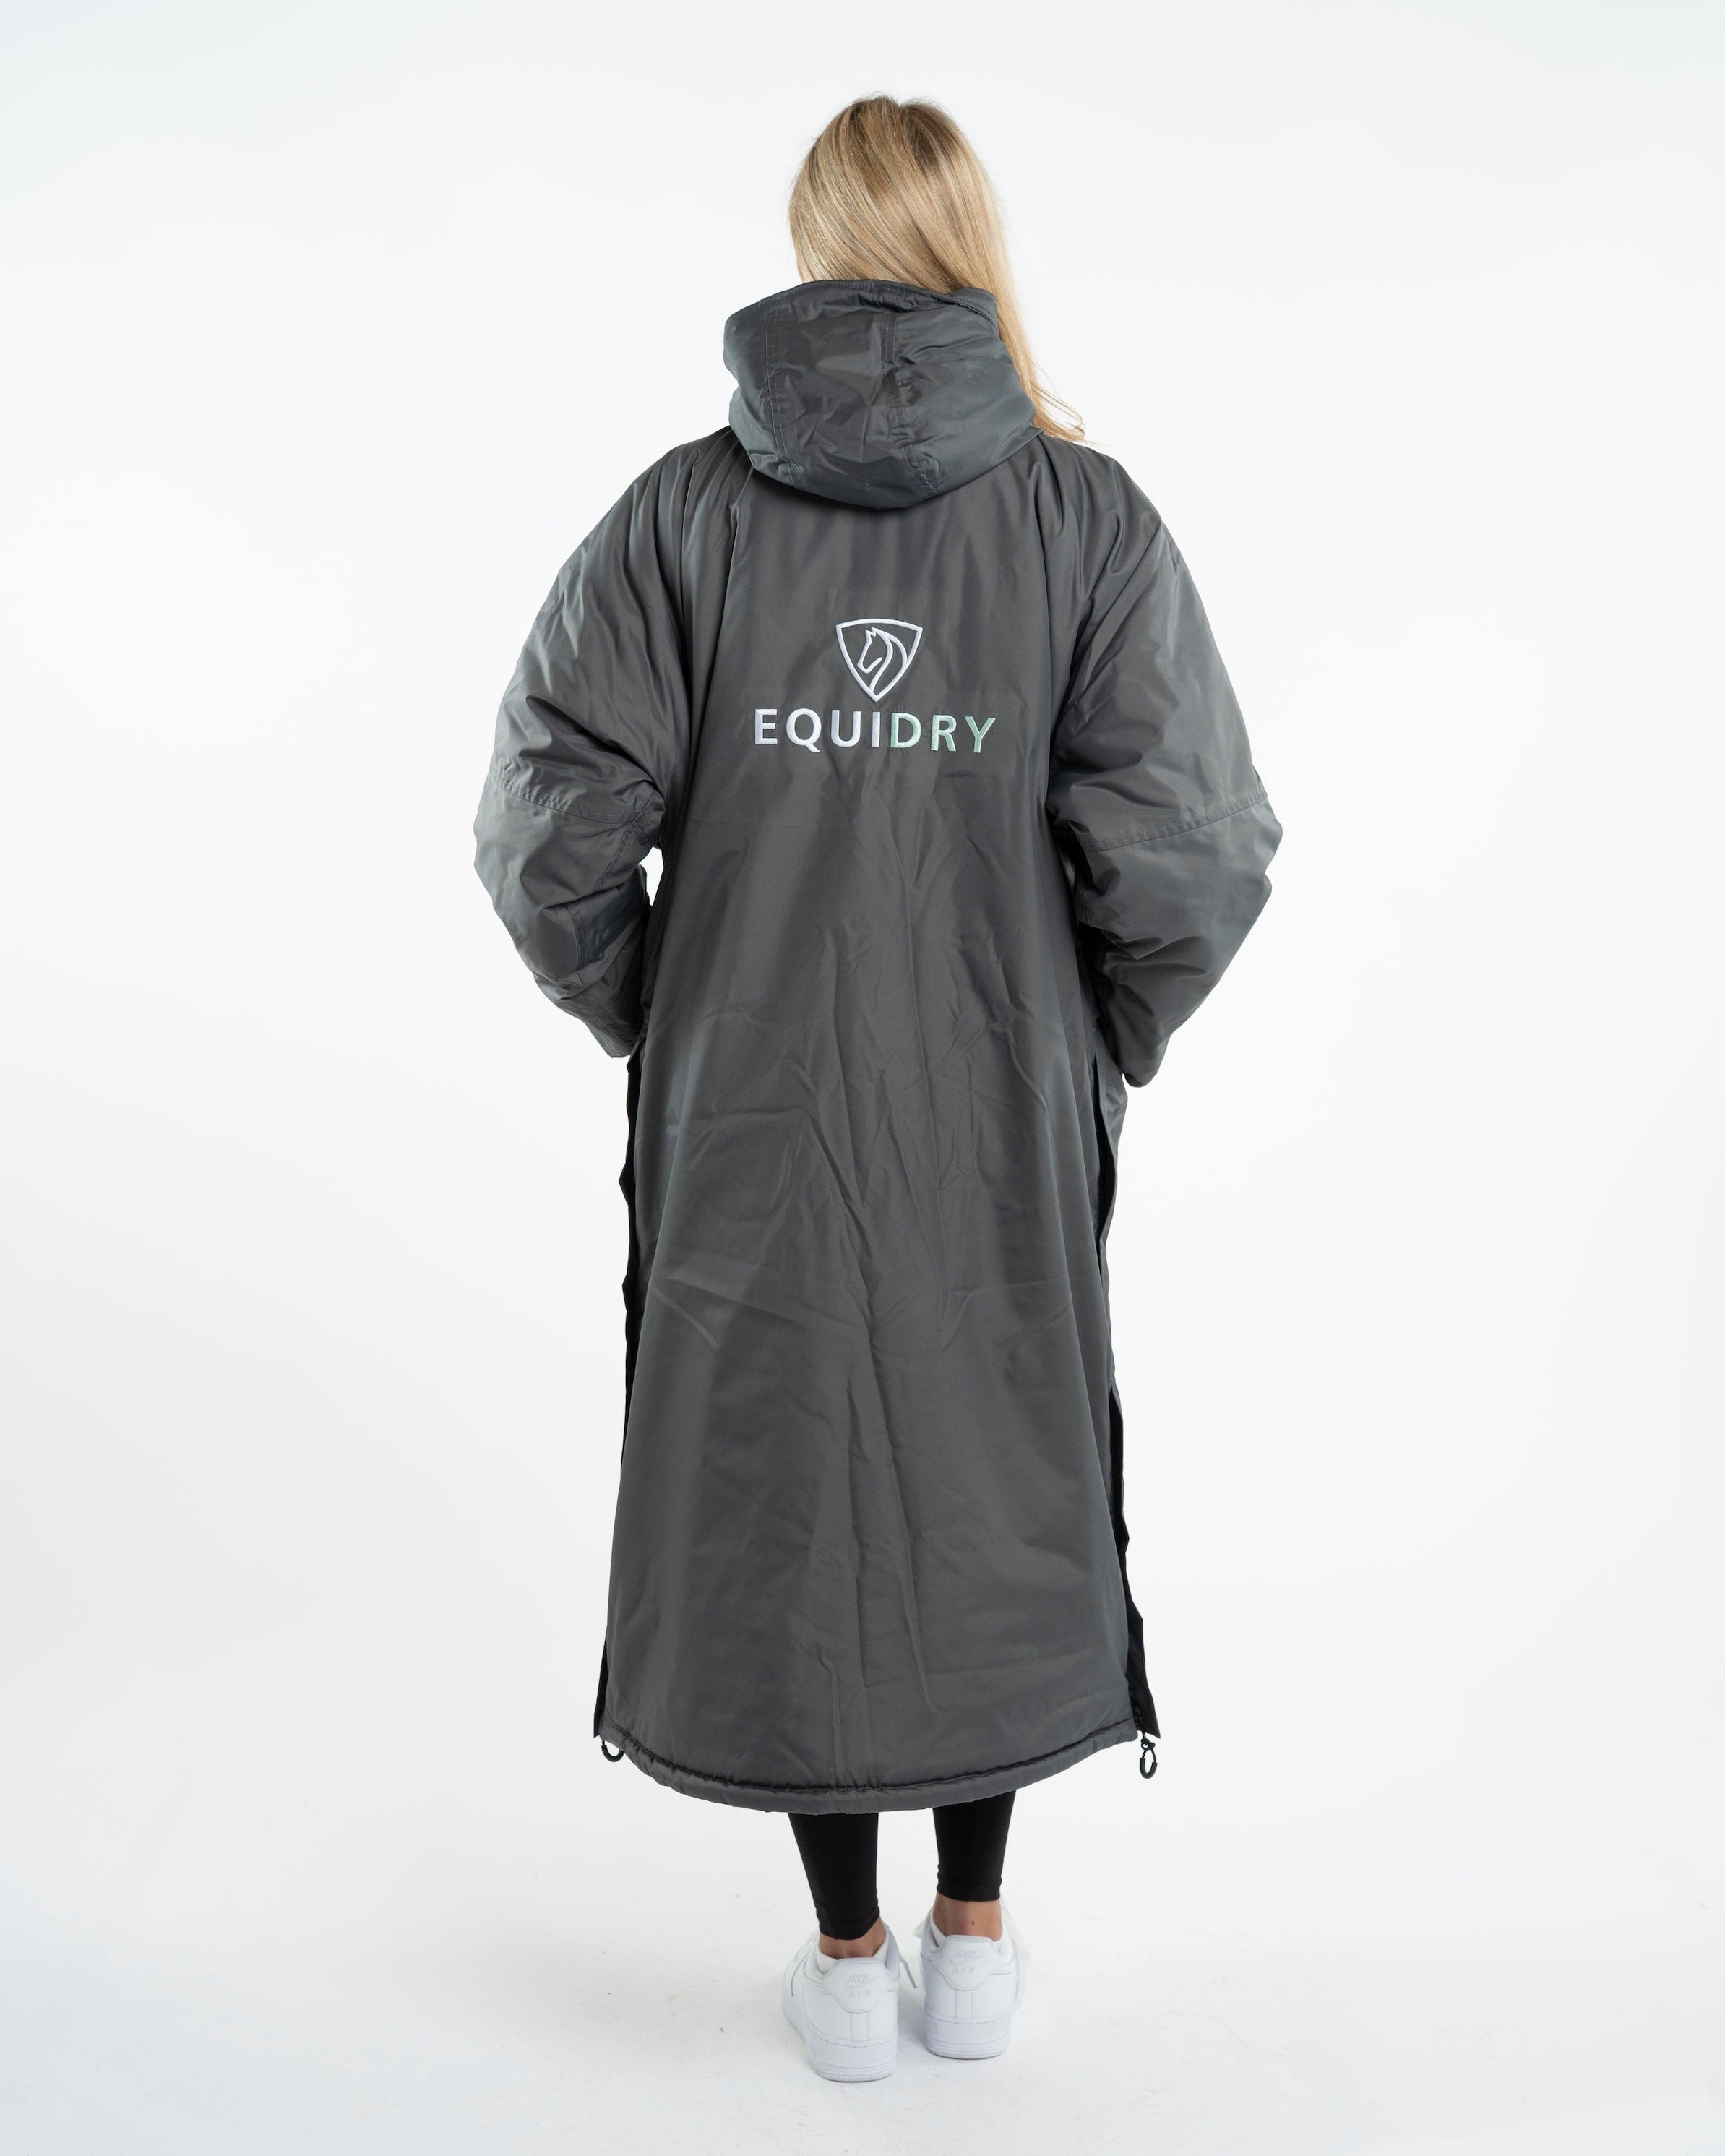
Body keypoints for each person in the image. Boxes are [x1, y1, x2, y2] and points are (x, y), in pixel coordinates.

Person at [474, 95, 1281, 2081]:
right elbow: (1195, 852)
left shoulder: (680, 519)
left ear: (811, 240)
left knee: (790, 1485)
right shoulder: (1085, 522)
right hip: (995, 1108)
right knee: (983, 1462)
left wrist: (663, 1013)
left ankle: (843, 1964)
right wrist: (1085, 1033)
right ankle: (971, 1944)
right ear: (969, 242)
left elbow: (545, 831)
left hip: (752, 1118)